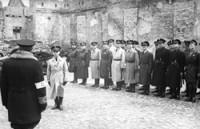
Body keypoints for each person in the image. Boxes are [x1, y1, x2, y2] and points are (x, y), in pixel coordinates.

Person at [1, 39, 47, 129]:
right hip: (31, 103)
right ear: (31, 49)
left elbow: (3, 86)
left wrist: (6, 102)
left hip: (13, 101)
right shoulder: (35, 64)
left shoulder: (6, 63)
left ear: (19, 47)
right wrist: (43, 103)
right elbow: (40, 86)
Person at [47, 43, 67, 110]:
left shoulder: (63, 60)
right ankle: (56, 103)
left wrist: (65, 79)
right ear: (52, 52)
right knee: (54, 90)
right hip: (53, 77)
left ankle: (60, 104)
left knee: (60, 90)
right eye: (54, 52)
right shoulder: (50, 61)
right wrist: (48, 80)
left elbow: (65, 71)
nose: (55, 53)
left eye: (57, 52)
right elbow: (48, 71)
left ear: (59, 52)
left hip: (60, 76)